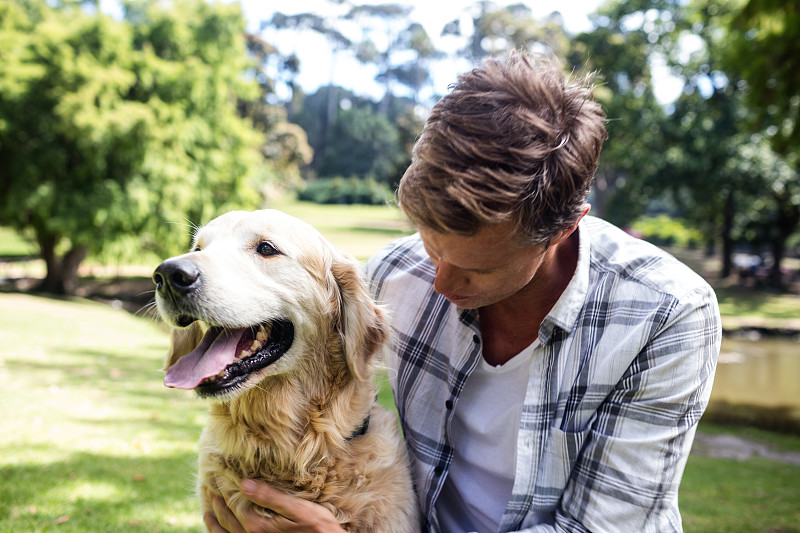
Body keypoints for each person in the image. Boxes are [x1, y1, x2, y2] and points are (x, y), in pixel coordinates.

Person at [204, 51, 721, 533]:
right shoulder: (392, 272)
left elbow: (602, 526)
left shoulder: (667, 315)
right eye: (432, 246)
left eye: (480, 268)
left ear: (564, 230)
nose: (442, 284)